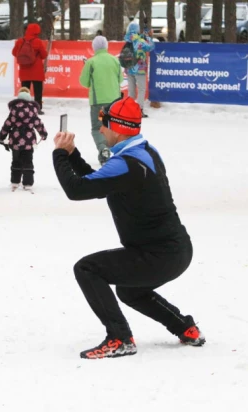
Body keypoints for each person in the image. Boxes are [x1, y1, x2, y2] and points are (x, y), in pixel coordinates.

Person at [51, 96, 205, 359]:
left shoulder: (126, 164)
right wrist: (72, 154)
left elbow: (76, 190)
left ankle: (119, 338)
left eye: (104, 124)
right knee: (129, 289)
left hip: (159, 254)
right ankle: (185, 328)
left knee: (87, 269)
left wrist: (58, 155)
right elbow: (99, 181)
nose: (100, 130)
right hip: (174, 250)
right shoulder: (142, 151)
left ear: (119, 128)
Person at [79, 36, 122, 166]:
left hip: (99, 104)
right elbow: (120, 79)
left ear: (94, 47)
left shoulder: (91, 62)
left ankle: (103, 149)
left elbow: (83, 82)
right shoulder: (115, 60)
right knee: (112, 126)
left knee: (98, 128)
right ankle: (116, 150)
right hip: (114, 102)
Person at [0, 86, 48, 191]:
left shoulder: (14, 109)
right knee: (28, 161)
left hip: (15, 140)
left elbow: (7, 125)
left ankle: (15, 181)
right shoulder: (32, 110)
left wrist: (1, 137)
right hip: (29, 141)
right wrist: (43, 134)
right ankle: (28, 183)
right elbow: (38, 123)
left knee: (16, 161)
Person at [12, 23, 48, 114]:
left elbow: (14, 52)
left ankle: (23, 108)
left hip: (24, 70)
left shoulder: (20, 41)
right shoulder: (38, 41)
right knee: (37, 91)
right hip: (37, 71)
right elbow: (44, 55)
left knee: (24, 91)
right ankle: (37, 108)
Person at [124, 22, 155, 118]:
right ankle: (139, 110)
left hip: (129, 68)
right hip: (139, 68)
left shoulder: (128, 39)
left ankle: (129, 110)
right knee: (141, 89)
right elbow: (150, 46)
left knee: (131, 90)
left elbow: (137, 38)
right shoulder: (140, 41)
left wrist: (144, 35)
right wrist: (149, 37)